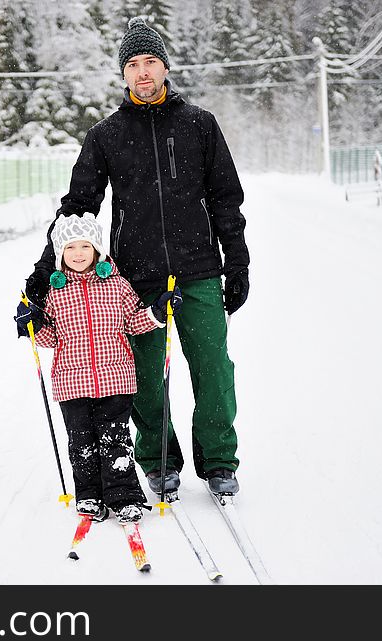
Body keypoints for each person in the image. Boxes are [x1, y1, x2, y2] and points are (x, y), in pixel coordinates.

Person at [19, 17, 250, 497]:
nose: (143, 73)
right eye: (133, 65)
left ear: (165, 67)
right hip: (136, 278)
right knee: (144, 378)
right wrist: (41, 278)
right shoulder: (106, 135)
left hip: (200, 271)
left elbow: (227, 199)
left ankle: (219, 461)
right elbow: (76, 210)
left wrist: (237, 263)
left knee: (214, 370)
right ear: (122, 74)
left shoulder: (199, 125)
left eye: (150, 62)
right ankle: (157, 457)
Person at [15, 214, 182, 523]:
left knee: (115, 440)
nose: (78, 254)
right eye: (70, 248)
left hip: (115, 379)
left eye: (85, 246)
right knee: (81, 442)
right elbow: (52, 338)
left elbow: (133, 321)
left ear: (97, 250)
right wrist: (33, 325)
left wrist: (158, 311)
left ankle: (124, 496)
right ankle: (89, 495)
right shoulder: (55, 293)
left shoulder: (117, 286)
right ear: (60, 252)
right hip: (71, 382)